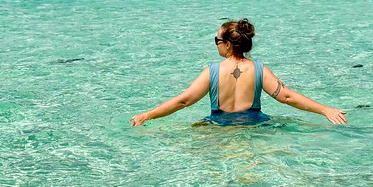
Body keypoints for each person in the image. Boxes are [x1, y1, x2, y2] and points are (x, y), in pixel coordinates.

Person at [130, 18, 347, 127]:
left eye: (216, 40)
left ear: (226, 44)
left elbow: (184, 101)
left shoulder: (211, 71)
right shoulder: (259, 70)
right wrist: (326, 110)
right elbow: (287, 97)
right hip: (254, 125)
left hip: (219, 126)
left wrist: (147, 115)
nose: (215, 45)